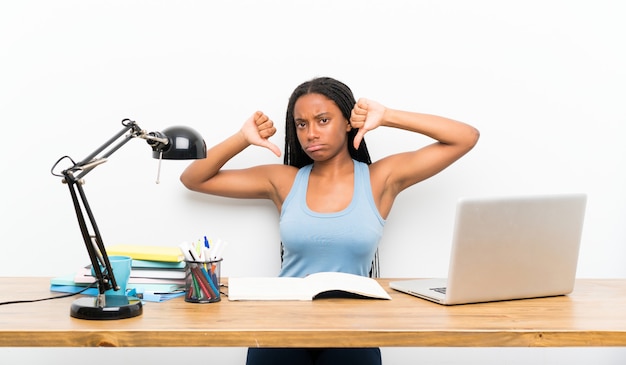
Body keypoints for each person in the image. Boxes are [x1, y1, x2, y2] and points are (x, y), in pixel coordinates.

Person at [180, 76, 479, 365]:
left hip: (354, 327)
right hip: (282, 323)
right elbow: (193, 178)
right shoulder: (284, 181)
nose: (311, 133)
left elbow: (465, 137)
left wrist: (387, 115)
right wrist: (242, 138)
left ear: (349, 122)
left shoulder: (379, 180)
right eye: (301, 124)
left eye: (323, 120)